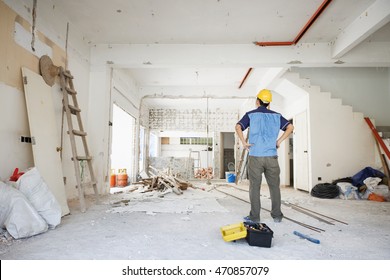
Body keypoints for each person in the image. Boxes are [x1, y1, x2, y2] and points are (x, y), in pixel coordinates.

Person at [235, 89, 294, 223]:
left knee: (254, 188)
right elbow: (290, 127)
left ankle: (255, 217)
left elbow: (238, 126)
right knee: (274, 187)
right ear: (269, 104)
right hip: (272, 156)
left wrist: (244, 143)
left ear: (258, 102)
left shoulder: (251, 115)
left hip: (255, 156)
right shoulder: (277, 116)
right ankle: (277, 216)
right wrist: (278, 141)